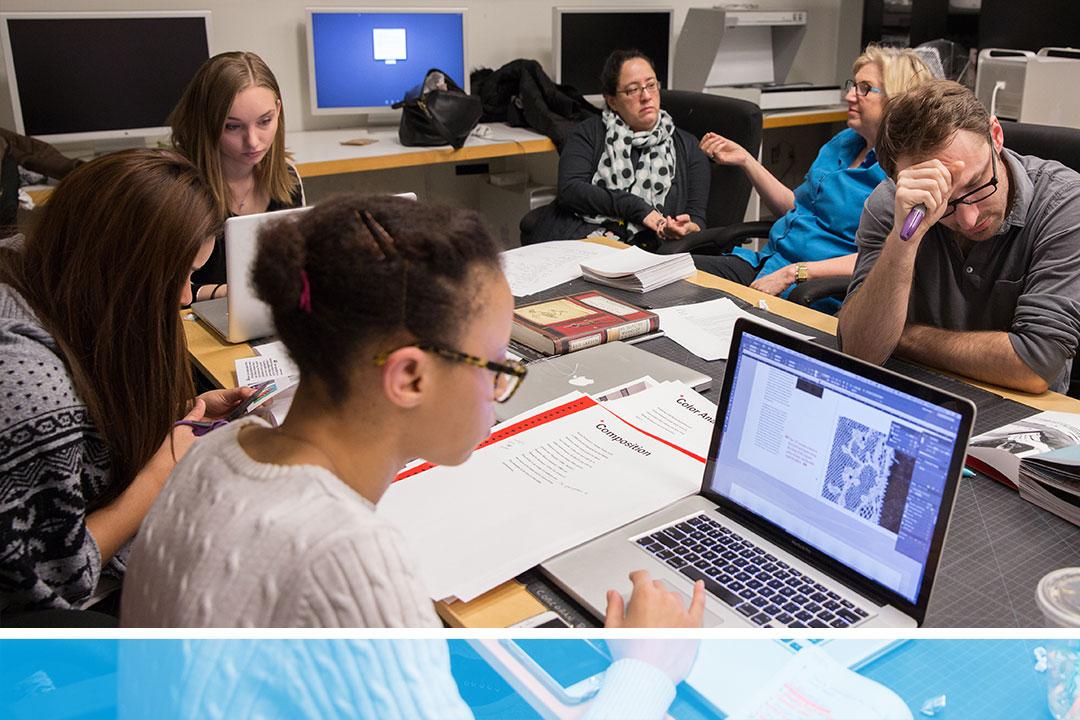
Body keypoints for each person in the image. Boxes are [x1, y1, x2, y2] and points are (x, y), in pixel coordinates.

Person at [121, 194, 705, 716]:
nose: (506, 386)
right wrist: (646, 670)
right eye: (498, 364)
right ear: (409, 378)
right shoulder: (346, 560)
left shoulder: (217, 449)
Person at [0, 150, 254, 615]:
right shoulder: (28, 384)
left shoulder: (33, 266)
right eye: (180, 276)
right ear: (121, 267)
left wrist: (180, 416)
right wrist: (166, 464)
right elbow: (60, 578)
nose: (184, 296)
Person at [838, 80, 1080, 394]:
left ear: (996, 136)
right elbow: (859, 351)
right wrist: (903, 240)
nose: (969, 219)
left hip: (1023, 411)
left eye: (978, 184)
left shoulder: (1065, 204)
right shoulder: (894, 204)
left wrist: (902, 337)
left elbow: (1037, 364)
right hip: (920, 392)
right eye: (944, 204)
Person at [694, 45, 931, 312]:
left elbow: (882, 258)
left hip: (813, 291)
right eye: (852, 85)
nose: (849, 95)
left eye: (864, 88)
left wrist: (797, 272)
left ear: (897, 99)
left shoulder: (900, 175)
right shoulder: (844, 143)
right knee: (673, 279)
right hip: (767, 264)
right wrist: (747, 161)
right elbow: (796, 208)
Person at [522, 49, 709, 248]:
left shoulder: (688, 147)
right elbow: (571, 190)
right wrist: (637, 208)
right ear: (612, 101)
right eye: (632, 90)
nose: (646, 96)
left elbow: (697, 218)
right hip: (582, 240)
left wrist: (689, 228)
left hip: (651, 252)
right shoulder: (589, 133)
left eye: (651, 85)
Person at [169, 51, 304, 302]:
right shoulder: (179, 187)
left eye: (265, 121)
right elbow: (168, 292)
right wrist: (232, 294)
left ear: (278, 110)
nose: (253, 142)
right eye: (232, 126)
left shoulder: (287, 179)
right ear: (206, 122)